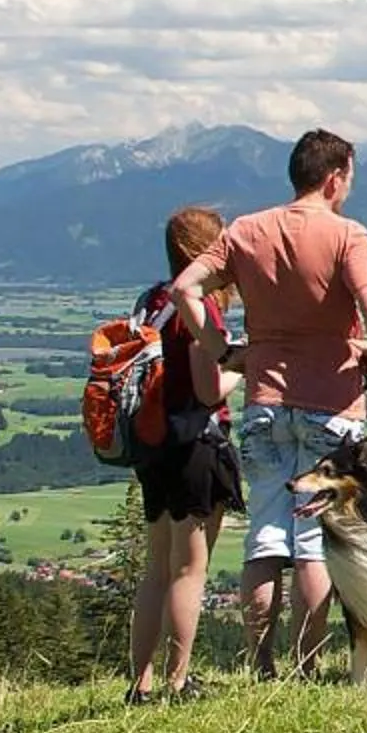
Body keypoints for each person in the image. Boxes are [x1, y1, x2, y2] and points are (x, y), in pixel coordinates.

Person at [170, 128, 367, 677]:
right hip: (333, 403)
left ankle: (261, 662)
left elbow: (184, 290)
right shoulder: (348, 235)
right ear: (336, 176)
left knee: (266, 537)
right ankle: (306, 664)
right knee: (316, 542)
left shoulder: (247, 230)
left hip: (265, 400)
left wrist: (221, 349)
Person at [126, 204, 244, 703]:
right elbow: (209, 387)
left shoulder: (151, 301)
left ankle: (139, 684)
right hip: (195, 445)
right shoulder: (198, 308)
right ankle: (179, 680)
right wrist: (247, 366)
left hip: (151, 445)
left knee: (156, 567)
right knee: (189, 568)